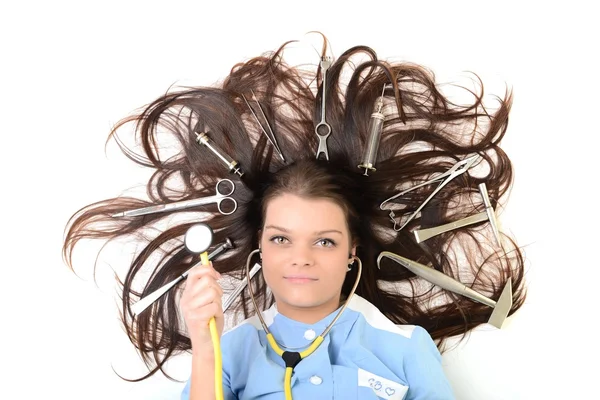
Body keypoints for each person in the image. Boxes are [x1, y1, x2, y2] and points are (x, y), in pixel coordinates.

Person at [63, 34, 526, 399]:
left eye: (323, 241)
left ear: (352, 252)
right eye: (282, 239)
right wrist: (204, 348)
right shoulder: (230, 351)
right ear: (260, 247)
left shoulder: (405, 347)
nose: (300, 258)